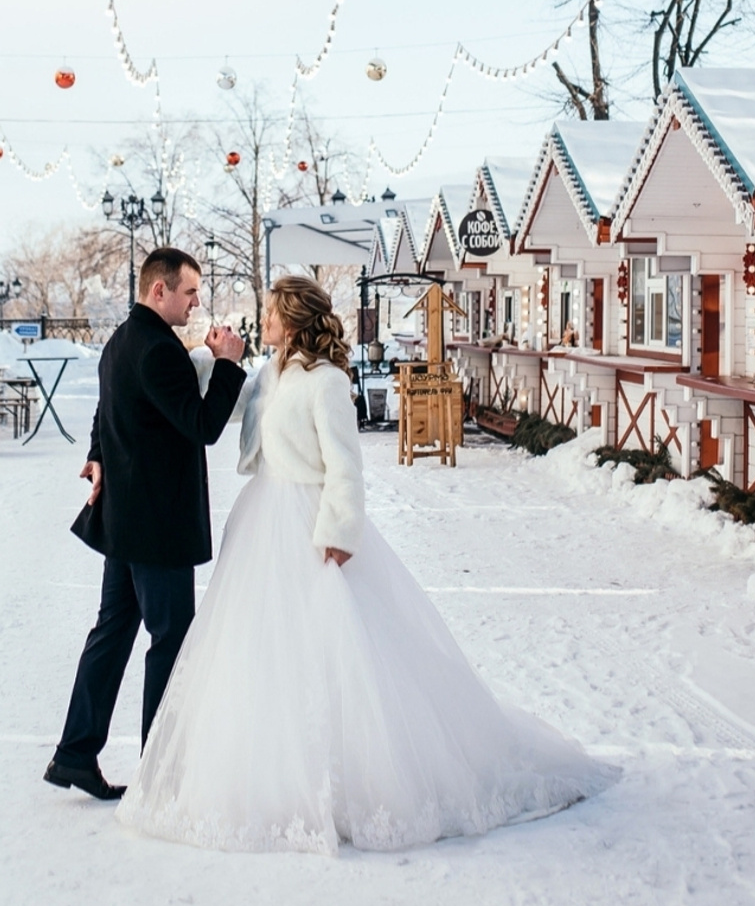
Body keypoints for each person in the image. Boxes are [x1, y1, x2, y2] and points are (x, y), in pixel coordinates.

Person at [116, 275, 615, 853]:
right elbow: (220, 418)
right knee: (261, 649)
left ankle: (349, 778)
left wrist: (339, 532)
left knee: (334, 649)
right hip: (261, 521)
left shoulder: (327, 382)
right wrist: (207, 358)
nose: (265, 319)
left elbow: (345, 467)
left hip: (308, 520)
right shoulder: (267, 374)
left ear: (295, 319)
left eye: (273, 311)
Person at [44, 248, 246, 801]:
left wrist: (96, 452)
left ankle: (75, 754)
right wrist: (227, 362)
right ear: (160, 291)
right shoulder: (157, 350)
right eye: (189, 292)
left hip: (128, 521)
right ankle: (159, 771)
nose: (196, 302)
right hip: (156, 527)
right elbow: (203, 425)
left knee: (111, 635)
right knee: (171, 640)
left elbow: (108, 409)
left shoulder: (122, 342)